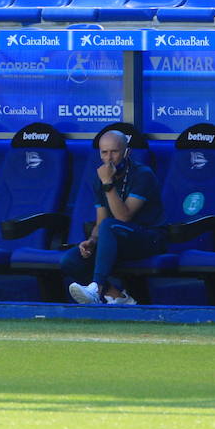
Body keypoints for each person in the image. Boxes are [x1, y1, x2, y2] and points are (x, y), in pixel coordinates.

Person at [63, 130, 165, 306]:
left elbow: (123, 217)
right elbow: (101, 220)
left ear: (127, 152)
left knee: (111, 226)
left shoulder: (142, 174)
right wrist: (92, 241)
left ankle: (96, 289)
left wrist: (108, 184)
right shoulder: (100, 179)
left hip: (149, 239)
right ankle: (118, 296)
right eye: (104, 152)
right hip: (117, 240)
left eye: (114, 151)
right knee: (70, 259)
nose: (109, 158)